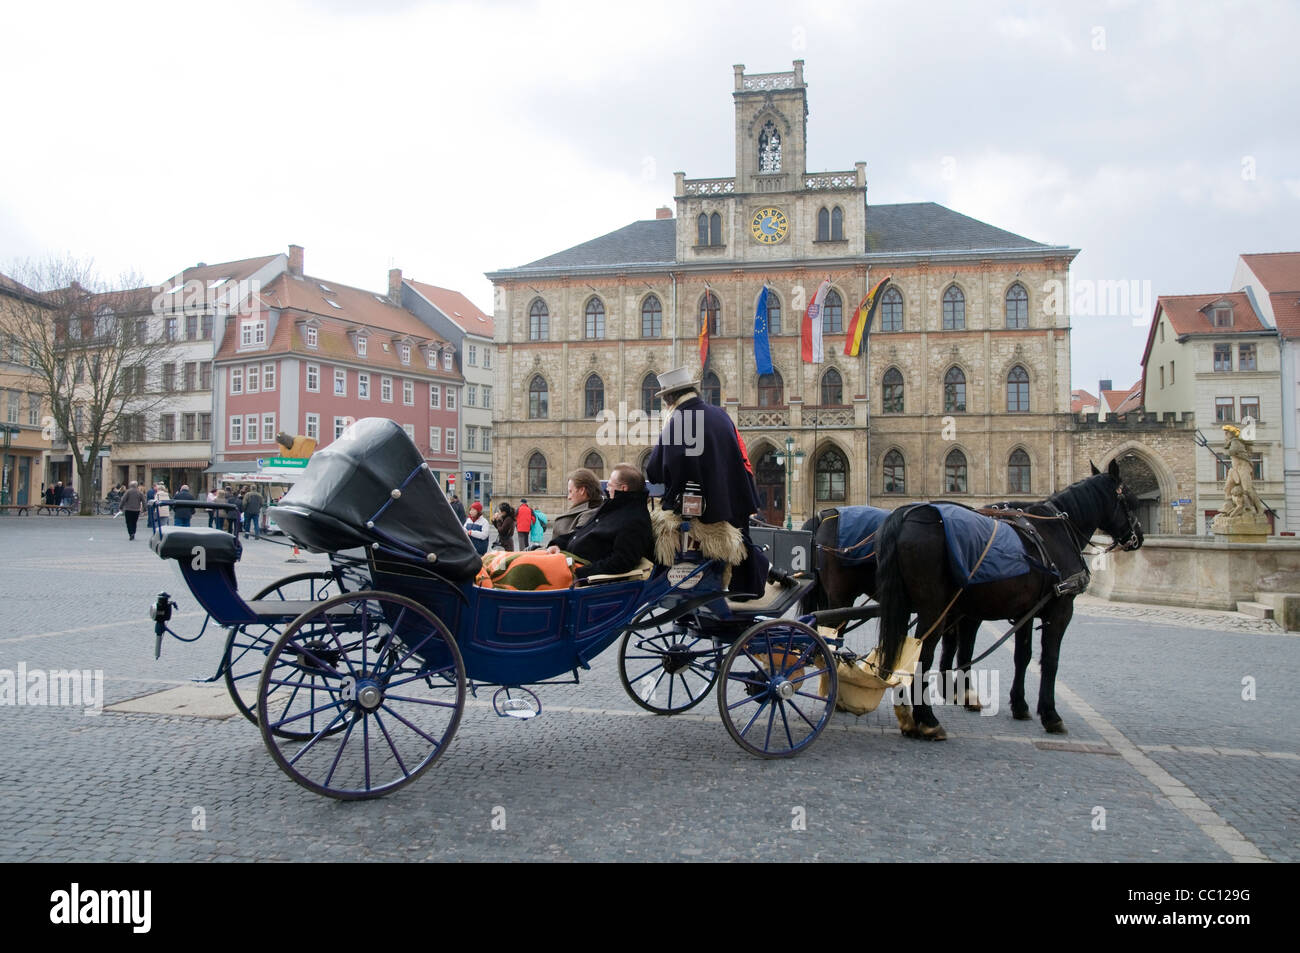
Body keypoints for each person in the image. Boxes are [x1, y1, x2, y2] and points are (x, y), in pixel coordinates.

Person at [646, 367, 769, 596]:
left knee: (652, 524)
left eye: (664, 401)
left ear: (671, 398)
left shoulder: (678, 420)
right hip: (735, 501)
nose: (665, 405)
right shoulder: (720, 414)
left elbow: (654, 470)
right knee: (744, 540)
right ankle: (746, 589)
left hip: (700, 511)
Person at [546, 463, 653, 581]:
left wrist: (580, 574)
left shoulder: (635, 520)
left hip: (580, 570)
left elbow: (621, 562)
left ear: (623, 488)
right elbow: (581, 531)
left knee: (528, 567)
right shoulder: (613, 507)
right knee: (525, 558)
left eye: (610, 485)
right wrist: (557, 543)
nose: (607, 489)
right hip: (569, 559)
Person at [549, 468, 603, 546]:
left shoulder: (589, 514)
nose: (569, 497)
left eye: (570, 491)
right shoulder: (590, 510)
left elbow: (573, 543)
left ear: (582, 490)